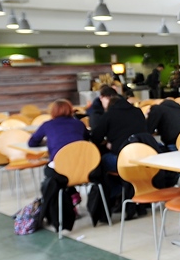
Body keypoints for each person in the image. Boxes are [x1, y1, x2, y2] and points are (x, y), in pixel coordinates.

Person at [29, 99, 89, 230]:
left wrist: (49, 141)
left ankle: (68, 199)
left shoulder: (47, 125)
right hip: (82, 169)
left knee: (49, 172)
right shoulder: (79, 124)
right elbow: (86, 139)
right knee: (62, 172)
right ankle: (72, 194)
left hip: (61, 171)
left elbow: (32, 142)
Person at [91, 86, 148, 208]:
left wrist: (109, 143)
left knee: (102, 162)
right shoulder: (137, 111)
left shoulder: (109, 115)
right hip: (144, 158)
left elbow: (96, 138)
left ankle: (112, 197)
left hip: (123, 160)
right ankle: (125, 193)